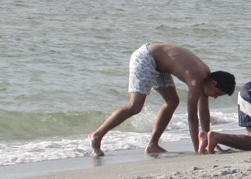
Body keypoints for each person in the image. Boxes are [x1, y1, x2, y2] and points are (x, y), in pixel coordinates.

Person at [88, 43, 235, 156]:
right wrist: (198, 149)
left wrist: (208, 140)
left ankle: (152, 145)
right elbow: (192, 117)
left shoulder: (206, 79)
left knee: (172, 102)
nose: (215, 97)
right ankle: (97, 135)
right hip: (145, 58)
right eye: (217, 93)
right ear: (213, 83)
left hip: (161, 66)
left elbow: (203, 112)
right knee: (135, 106)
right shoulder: (196, 81)